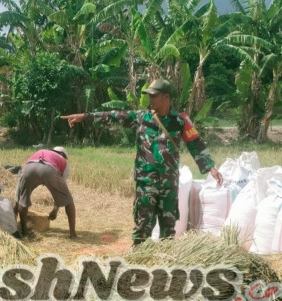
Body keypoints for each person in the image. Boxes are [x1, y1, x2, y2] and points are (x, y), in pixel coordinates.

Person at [62, 78, 223, 247]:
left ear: (166, 97)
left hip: (169, 183)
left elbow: (195, 142)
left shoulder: (180, 120)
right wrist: (85, 117)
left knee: (168, 227)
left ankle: (165, 261)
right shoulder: (141, 117)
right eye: (149, 96)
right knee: (143, 224)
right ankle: (139, 258)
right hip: (146, 182)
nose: (150, 99)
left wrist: (210, 167)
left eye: (154, 96)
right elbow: (113, 116)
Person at [15, 146, 77, 238]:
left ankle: (24, 232)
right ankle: (72, 234)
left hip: (28, 168)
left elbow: (21, 179)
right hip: (49, 170)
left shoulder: (41, 152)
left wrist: (17, 202)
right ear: (62, 154)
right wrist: (55, 211)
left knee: (23, 201)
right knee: (69, 201)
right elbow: (61, 193)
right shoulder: (63, 161)